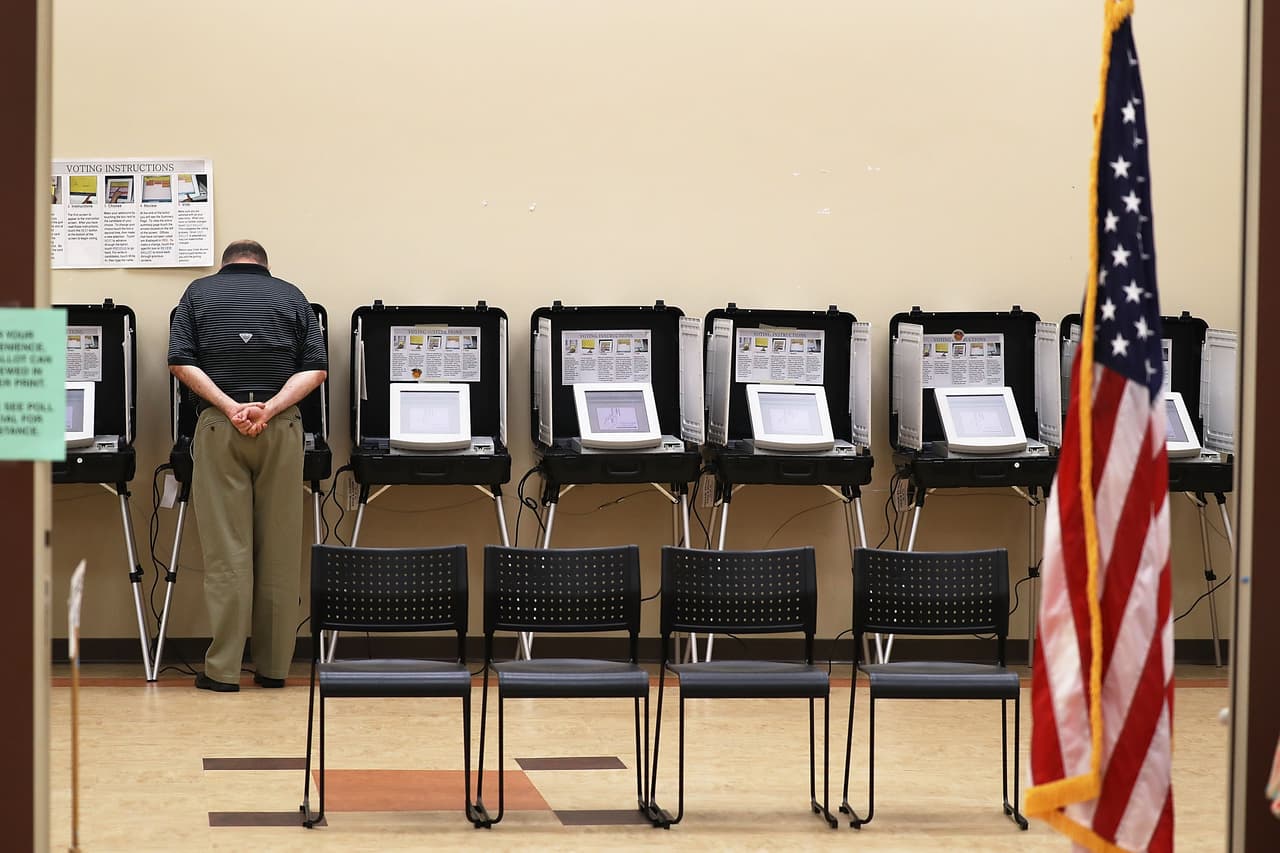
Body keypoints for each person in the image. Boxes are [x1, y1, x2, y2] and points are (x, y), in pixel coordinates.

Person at [167, 239, 327, 692]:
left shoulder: (197, 294)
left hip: (221, 428)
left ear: (226, 265)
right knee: (280, 552)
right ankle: (274, 668)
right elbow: (316, 369)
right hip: (281, 428)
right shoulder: (292, 296)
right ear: (263, 265)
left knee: (227, 554)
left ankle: (223, 671)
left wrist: (230, 407)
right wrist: (268, 408)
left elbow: (180, 362)